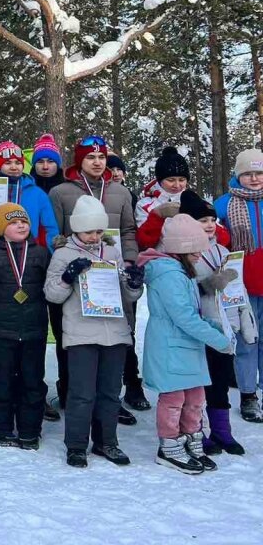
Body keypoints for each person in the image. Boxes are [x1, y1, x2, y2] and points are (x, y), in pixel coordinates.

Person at [43, 196, 144, 468]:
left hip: (114, 331)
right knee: (82, 392)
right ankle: (76, 445)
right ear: (76, 229)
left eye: (99, 231)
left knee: (111, 391)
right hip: (82, 333)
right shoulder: (64, 254)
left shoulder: (112, 253)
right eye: (88, 231)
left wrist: (134, 283)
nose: (94, 236)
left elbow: (128, 295)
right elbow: (51, 294)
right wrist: (67, 277)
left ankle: (106, 441)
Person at [49, 136, 146, 415]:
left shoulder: (120, 191)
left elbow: (129, 230)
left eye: (101, 157)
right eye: (90, 157)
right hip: (78, 275)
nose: (97, 162)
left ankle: (110, 398)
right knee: (74, 335)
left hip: (111, 274)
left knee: (116, 334)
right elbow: (54, 232)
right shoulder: (61, 192)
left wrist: (128, 261)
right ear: (80, 160)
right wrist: (67, 251)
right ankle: (70, 391)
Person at [139, 214, 232, 474]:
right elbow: (183, 316)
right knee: (174, 397)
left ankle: (192, 437)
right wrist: (217, 340)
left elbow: (194, 311)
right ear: (181, 248)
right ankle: (169, 444)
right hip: (170, 344)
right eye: (195, 250)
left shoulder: (183, 271)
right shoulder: (168, 275)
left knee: (195, 396)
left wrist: (215, 327)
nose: (199, 255)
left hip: (187, 344)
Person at [181, 190, 256, 455]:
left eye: (212, 220)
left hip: (225, 326)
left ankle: (222, 432)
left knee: (221, 382)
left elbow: (238, 289)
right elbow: (183, 292)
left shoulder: (223, 250)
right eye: (203, 220)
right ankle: (195, 431)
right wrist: (209, 285)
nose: (210, 225)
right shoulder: (184, 253)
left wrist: (245, 321)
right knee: (200, 384)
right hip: (203, 327)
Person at [0, 203, 51, 449]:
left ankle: (30, 430)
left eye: (24, 221)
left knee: (32, 381)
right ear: (1, 227)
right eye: (13, 222)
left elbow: (48, 287)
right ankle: (1, 427)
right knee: (1, 380)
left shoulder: (40, 253)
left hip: (33, 329)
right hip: (2, 331)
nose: (21, 225)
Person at [214, 148, 263, 423]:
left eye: (258, 173)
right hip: (240, 284)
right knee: (247, 340)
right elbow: (212, 235)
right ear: (238, 176)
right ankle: (248, 395)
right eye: (248, 174)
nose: (254, 179)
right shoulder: (224, 204)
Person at [0, 141, 58, 247]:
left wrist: (46, 255)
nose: (14, 167)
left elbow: (49, 228)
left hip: (30, 254)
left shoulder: (37, 193)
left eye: (18, 163)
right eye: (8, 163)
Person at [134, 147, 189, 226]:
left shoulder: (195, 203)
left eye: (181, 180)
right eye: (171, 180)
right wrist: (159, 214)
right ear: (160, 180)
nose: (177, 185)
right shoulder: (144, 205)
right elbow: (145, 235)